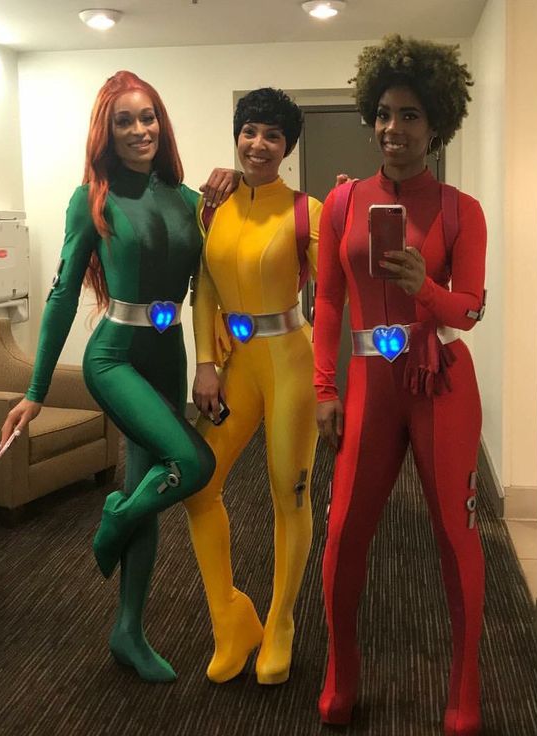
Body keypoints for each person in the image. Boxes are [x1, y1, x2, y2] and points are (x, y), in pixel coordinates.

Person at [0, 70, 218, 683]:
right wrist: (36, 391)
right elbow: (65, 293)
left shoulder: (190, 200)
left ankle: (128, 630)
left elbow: (216, 281)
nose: (139, 129)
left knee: (151, 484)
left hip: (167, 351)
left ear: (161, 123)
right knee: (193, 465)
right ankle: (115, 517)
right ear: (107, 131)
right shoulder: (89, 198)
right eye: (125, 121)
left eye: (147, 117)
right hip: (114, 357)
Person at [313, 36, 487, 735]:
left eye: (411, 115)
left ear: (436, 124)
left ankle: (465, 686)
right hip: (367, 384)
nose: (394, 128)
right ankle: (341, 671)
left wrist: (429, 290)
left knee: (455, 534)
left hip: (438, 380)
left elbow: (471, 308)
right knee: (344, 531)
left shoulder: (458, 208)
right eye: (384, 113)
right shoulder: (342, 203)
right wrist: (325, 389)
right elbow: (326, 301)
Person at [184, 88, 322, 686]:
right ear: (236, 134)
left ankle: (282, 621)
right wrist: (204, 363)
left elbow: (340, 289)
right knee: (199, 486)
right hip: (234, 364)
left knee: (287, 494)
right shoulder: (211, 206)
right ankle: (229, 619)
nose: (258, 144)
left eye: (272, 135)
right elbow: (205, 286)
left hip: (291, 357)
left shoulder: (305, 210)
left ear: (287, 147)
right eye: (249, 131)